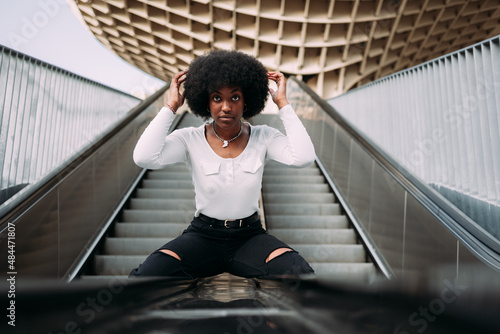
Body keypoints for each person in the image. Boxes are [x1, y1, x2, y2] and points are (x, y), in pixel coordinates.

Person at [129, 50, 316, 278]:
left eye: (234, 97)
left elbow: (304, 157)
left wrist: (283, 104)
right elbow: (144, 157)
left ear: (246, 101)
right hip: (202, 237)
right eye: (217, 98)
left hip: (250, 237)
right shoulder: (190, 138)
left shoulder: (264, 136)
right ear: (206, 102)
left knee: (301, 274)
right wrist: (171, 107)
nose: (226, 106)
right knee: (146, 275)